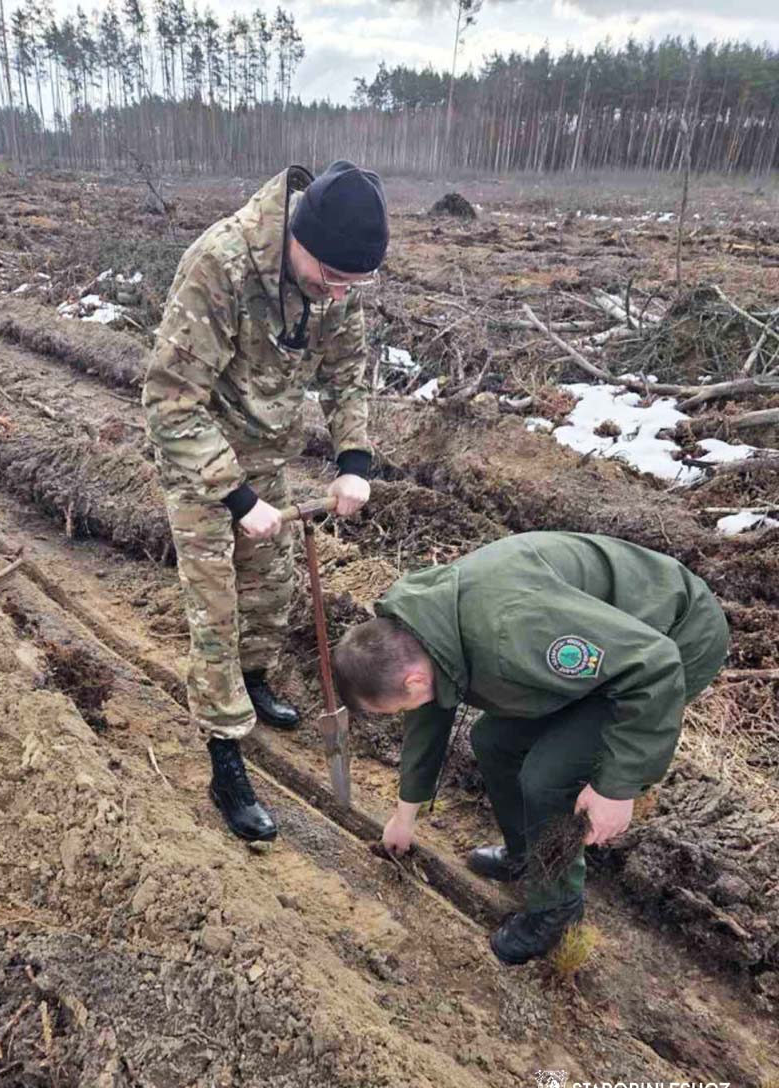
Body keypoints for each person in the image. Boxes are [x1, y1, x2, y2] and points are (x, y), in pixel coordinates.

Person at [331, 532, 729, 965]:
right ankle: (527, 856)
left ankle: (557, 910)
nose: (411, 708)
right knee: (492, 740)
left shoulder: (513, 633)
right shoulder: (420, 629)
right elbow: (431, 709)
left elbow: (653, 665)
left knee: (547, 777)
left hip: (674, 637)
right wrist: (404, 814)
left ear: (412, 681)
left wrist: (618, 787)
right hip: (613, 644)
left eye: (402, 705)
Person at [143, 160, 389, 844]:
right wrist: (235, 493)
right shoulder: (219, 265)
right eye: (330, 277)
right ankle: (225, 761)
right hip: (201, 455)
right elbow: (168, 402)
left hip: (266, 453)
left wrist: (353, 461)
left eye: (352, 284)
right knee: (216, 606)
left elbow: (346, 375)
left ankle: (252, 681)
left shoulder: (338, 283)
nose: (338, 294)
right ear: (296, 235)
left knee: (271, 585)